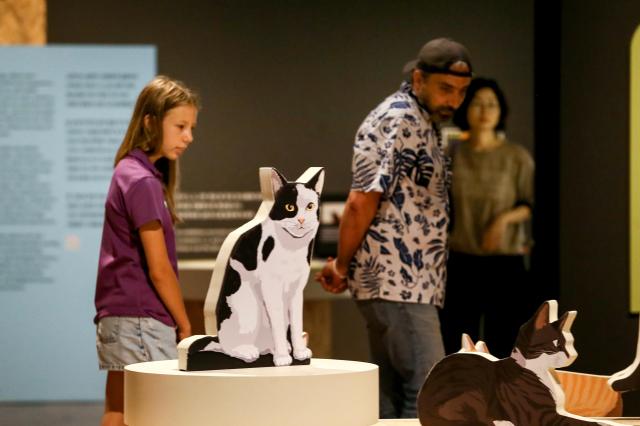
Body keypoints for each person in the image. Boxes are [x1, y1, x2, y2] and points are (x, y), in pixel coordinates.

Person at [316, 38, 472, 419]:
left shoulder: (423, 121)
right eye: (445, 88)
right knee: (428, 391)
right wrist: (340, 264)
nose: (454, 100)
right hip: (398, 280)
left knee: (393, 392)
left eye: (461, 92)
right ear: (418, 78)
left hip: (409, 281)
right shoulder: (400, 118)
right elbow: (361, 199)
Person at [94, 75, 199, 426]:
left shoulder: (128, 171)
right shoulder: (142, 181)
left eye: (191, 127)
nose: (189, 137)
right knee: (157, 415)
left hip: (121, 314)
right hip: (142, 317)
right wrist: (185, 324)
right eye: (180, 126)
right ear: (151, 122)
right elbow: (159, 268)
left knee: (119, 410)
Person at [439, 77, 534, 359]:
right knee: (458, 342)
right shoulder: (452, 155)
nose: (485, 110)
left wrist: (502, 221)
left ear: (501, 111)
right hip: (461, 260)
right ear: (466, 108)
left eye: (492, 104)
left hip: (504, 263)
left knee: (504, 341)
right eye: (478, 103)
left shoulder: (516, 157)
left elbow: (528, 203)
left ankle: (502, 402)